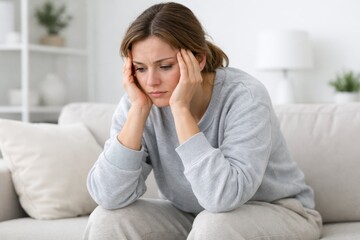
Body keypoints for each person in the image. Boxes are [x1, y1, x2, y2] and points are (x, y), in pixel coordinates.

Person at [83, 2, 322, 240]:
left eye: (165, 66)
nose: (151, 81)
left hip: (280, 212)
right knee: (106, 220)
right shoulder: (140, 100)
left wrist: (181, 110)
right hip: (194, 215)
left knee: (214, 226)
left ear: (198, 60)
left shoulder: (245, 96)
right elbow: (108, 196)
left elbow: (223, 198)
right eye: (140, 68)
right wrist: (138, 110)